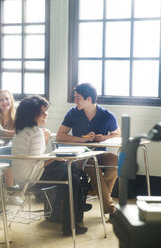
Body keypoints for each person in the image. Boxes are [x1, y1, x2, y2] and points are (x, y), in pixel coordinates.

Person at [11, 95, 87, 236]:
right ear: (31, 114)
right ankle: (71, 223)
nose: (45, 114)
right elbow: (38, 161)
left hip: (22, 176)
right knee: (73, 171)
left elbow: (35, 160)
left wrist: (54, 157)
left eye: (46, 111)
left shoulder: (20, 130)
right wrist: (55, 156)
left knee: (71, 169)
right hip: (32, 177)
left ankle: (64, 217)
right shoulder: (36, 132)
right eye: (42, 112)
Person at [56, 83, 121, 218]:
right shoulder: (73, 113)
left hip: (99, 153)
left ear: (89, 99)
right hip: (79, 155)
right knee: (93, 166)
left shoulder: (107, 115)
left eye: (78, 98)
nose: (75, 101)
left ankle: (93, 190)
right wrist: (81, 140)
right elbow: (60, 136)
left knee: (116, 162)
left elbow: (117, 134)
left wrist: (104, 137)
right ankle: (110, 209)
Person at [0, 90, 23, 205]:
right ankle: (11, 192)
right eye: (1, 100)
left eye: (7, 99)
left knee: (16, 151)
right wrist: (17, 133)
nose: (4, 102)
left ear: (11, 100)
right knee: (9, 153)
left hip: (11, 148)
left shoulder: (16, 116)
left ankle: (17, 191)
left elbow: (22, 130)